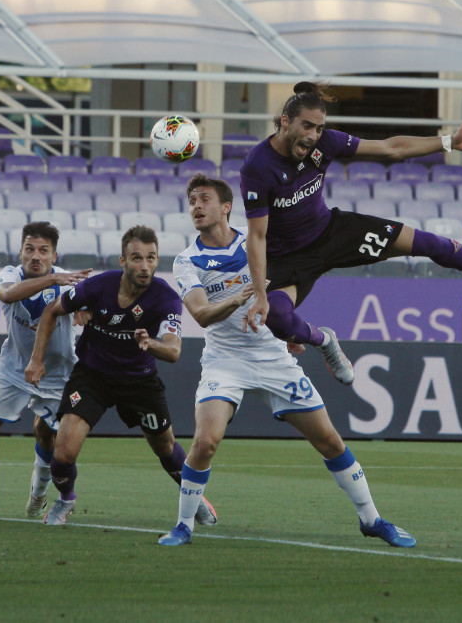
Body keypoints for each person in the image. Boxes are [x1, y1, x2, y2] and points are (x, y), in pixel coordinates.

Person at [157, 173, 415, 547]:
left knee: (329, 441)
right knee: (205, 441)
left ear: (226, 206)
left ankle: (372, 519)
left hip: (272, 356)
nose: (196, 206)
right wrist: (241, 296)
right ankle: (183, 525)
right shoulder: (187, 260)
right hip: (225, 360)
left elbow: (285, 295)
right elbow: (200, 314)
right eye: (192, 200)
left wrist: (287, 331)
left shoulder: (259, 245)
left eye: (204, 199)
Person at [241, 81, 462, 386]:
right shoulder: (258, 166)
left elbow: (390, 148)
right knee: (275, 318)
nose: (313, 135)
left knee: (428, 243)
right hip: (288, 258)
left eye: (319, 128)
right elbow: (257, 236)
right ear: (285, 121)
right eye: (307, 126)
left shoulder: (325, 143)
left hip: (333, 233)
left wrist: (449, 142)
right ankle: (325, 341)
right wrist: (260, 294)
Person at [25, 225, 217, 527]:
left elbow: (173, 351)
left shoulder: (166, 297)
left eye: (151, 258)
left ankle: (193, 497)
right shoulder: (98, 286)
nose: (144, 266)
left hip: (139, 379)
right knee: (63, 453)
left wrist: (150, 343)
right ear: (123, 261)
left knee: (165, 446)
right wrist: (37, 360)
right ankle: (66, 499)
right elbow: (52, 311)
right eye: (137, 258)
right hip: (92, 376)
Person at [0, 222, 90, 521]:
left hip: (58, 376)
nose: (35, 256)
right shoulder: (10, 275)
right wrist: (53, 279)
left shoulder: (69, 284)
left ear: (54, 254)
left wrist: (86, 309)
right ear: (20, 252)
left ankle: (39, 494)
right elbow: (7, 295)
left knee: (46, 433)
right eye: (29, 249)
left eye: (43, 250)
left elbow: (89, 307)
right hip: (13, 368)